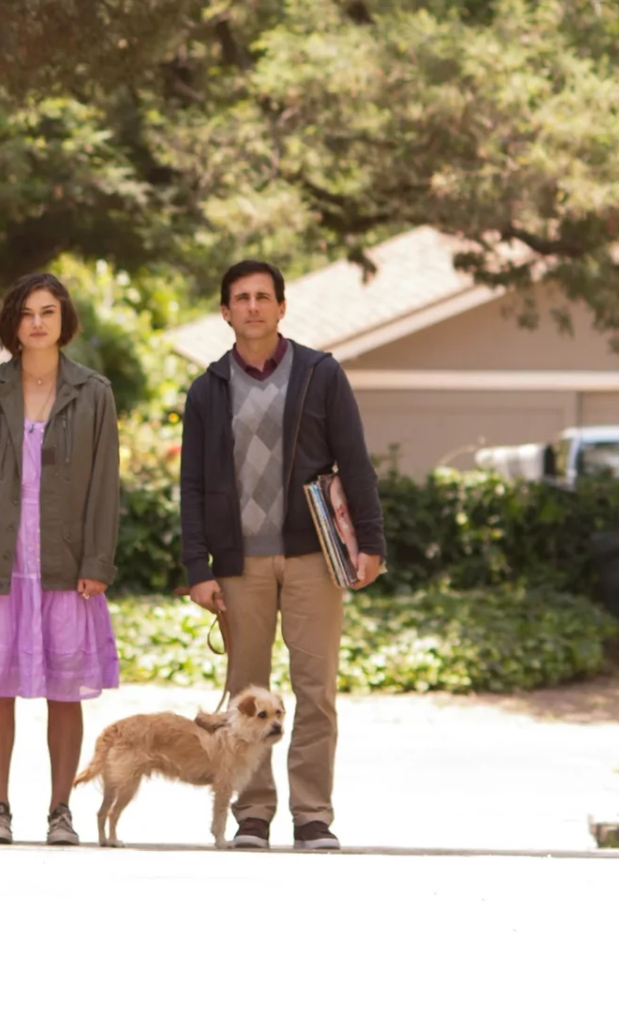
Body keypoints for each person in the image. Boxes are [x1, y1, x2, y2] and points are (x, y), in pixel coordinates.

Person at [179, 259, 384, 850]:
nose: (252, 307)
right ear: (225, 312)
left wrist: (370, 543)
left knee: (315, 689)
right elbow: (191, 485)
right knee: (246, 692)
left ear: (281, 306)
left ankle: (313, 814)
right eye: (240, 298)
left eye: (263, 296)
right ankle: (253, 812)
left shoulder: (320, 375)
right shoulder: (208, 389)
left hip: (311, 559)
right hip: (238, 565)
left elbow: (356, 462)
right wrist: (199, 568)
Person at [0, 273, 121, 846]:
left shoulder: (94, 392)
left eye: (48, 311)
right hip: (0, 557)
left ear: (65, 320)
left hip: (67, 561)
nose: (38, 322)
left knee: (64, 691)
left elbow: (105, 486)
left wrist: (98, 559)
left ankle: (60, 811)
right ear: (12, 324)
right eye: (26, 313)